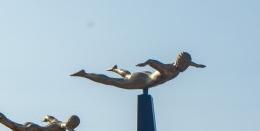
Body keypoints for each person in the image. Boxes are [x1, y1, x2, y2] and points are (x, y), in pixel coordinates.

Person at [71, 51, 205, 90]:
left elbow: (188, 62)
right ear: (179, 63)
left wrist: (197, 65)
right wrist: (145, 63)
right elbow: (153, 62)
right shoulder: (167, 70)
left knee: (127, 75)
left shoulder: (180, 66)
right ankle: (85, 74)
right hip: (142, 81)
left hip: (147, 76)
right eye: (184, 66)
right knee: (111, 81)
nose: (185, 68)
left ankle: (115, 69)